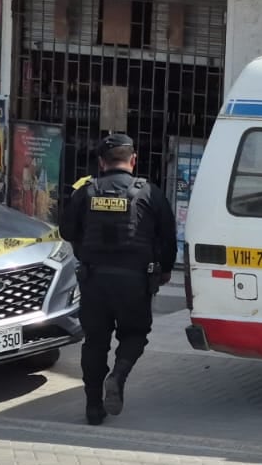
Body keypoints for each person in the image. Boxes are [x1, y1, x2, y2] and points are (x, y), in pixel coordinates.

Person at [61, 134, 176, 425]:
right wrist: (164, 271)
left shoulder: (85, 192)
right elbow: (168, 238)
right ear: (133, 160)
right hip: (135, 283)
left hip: (94, 281)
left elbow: (66, 231)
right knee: (135, 334)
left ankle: (92, 407)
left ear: (101, 162)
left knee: (95, 343)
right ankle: (119, 374)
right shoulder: (150, 192)